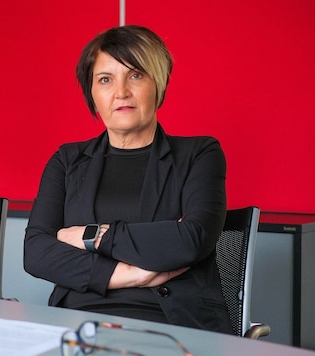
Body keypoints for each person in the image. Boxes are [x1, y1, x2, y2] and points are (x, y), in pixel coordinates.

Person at [23, 25, 232, 333]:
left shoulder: (199, 154)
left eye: (135, 75)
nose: (121, 92)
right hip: (79, 321)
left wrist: (92, 237)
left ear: (158, 84)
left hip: (171, 324)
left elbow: (192, 239)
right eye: (105, 80)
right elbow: (36, 252)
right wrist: (132, 274)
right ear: (91, 93)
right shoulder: (67, 160)